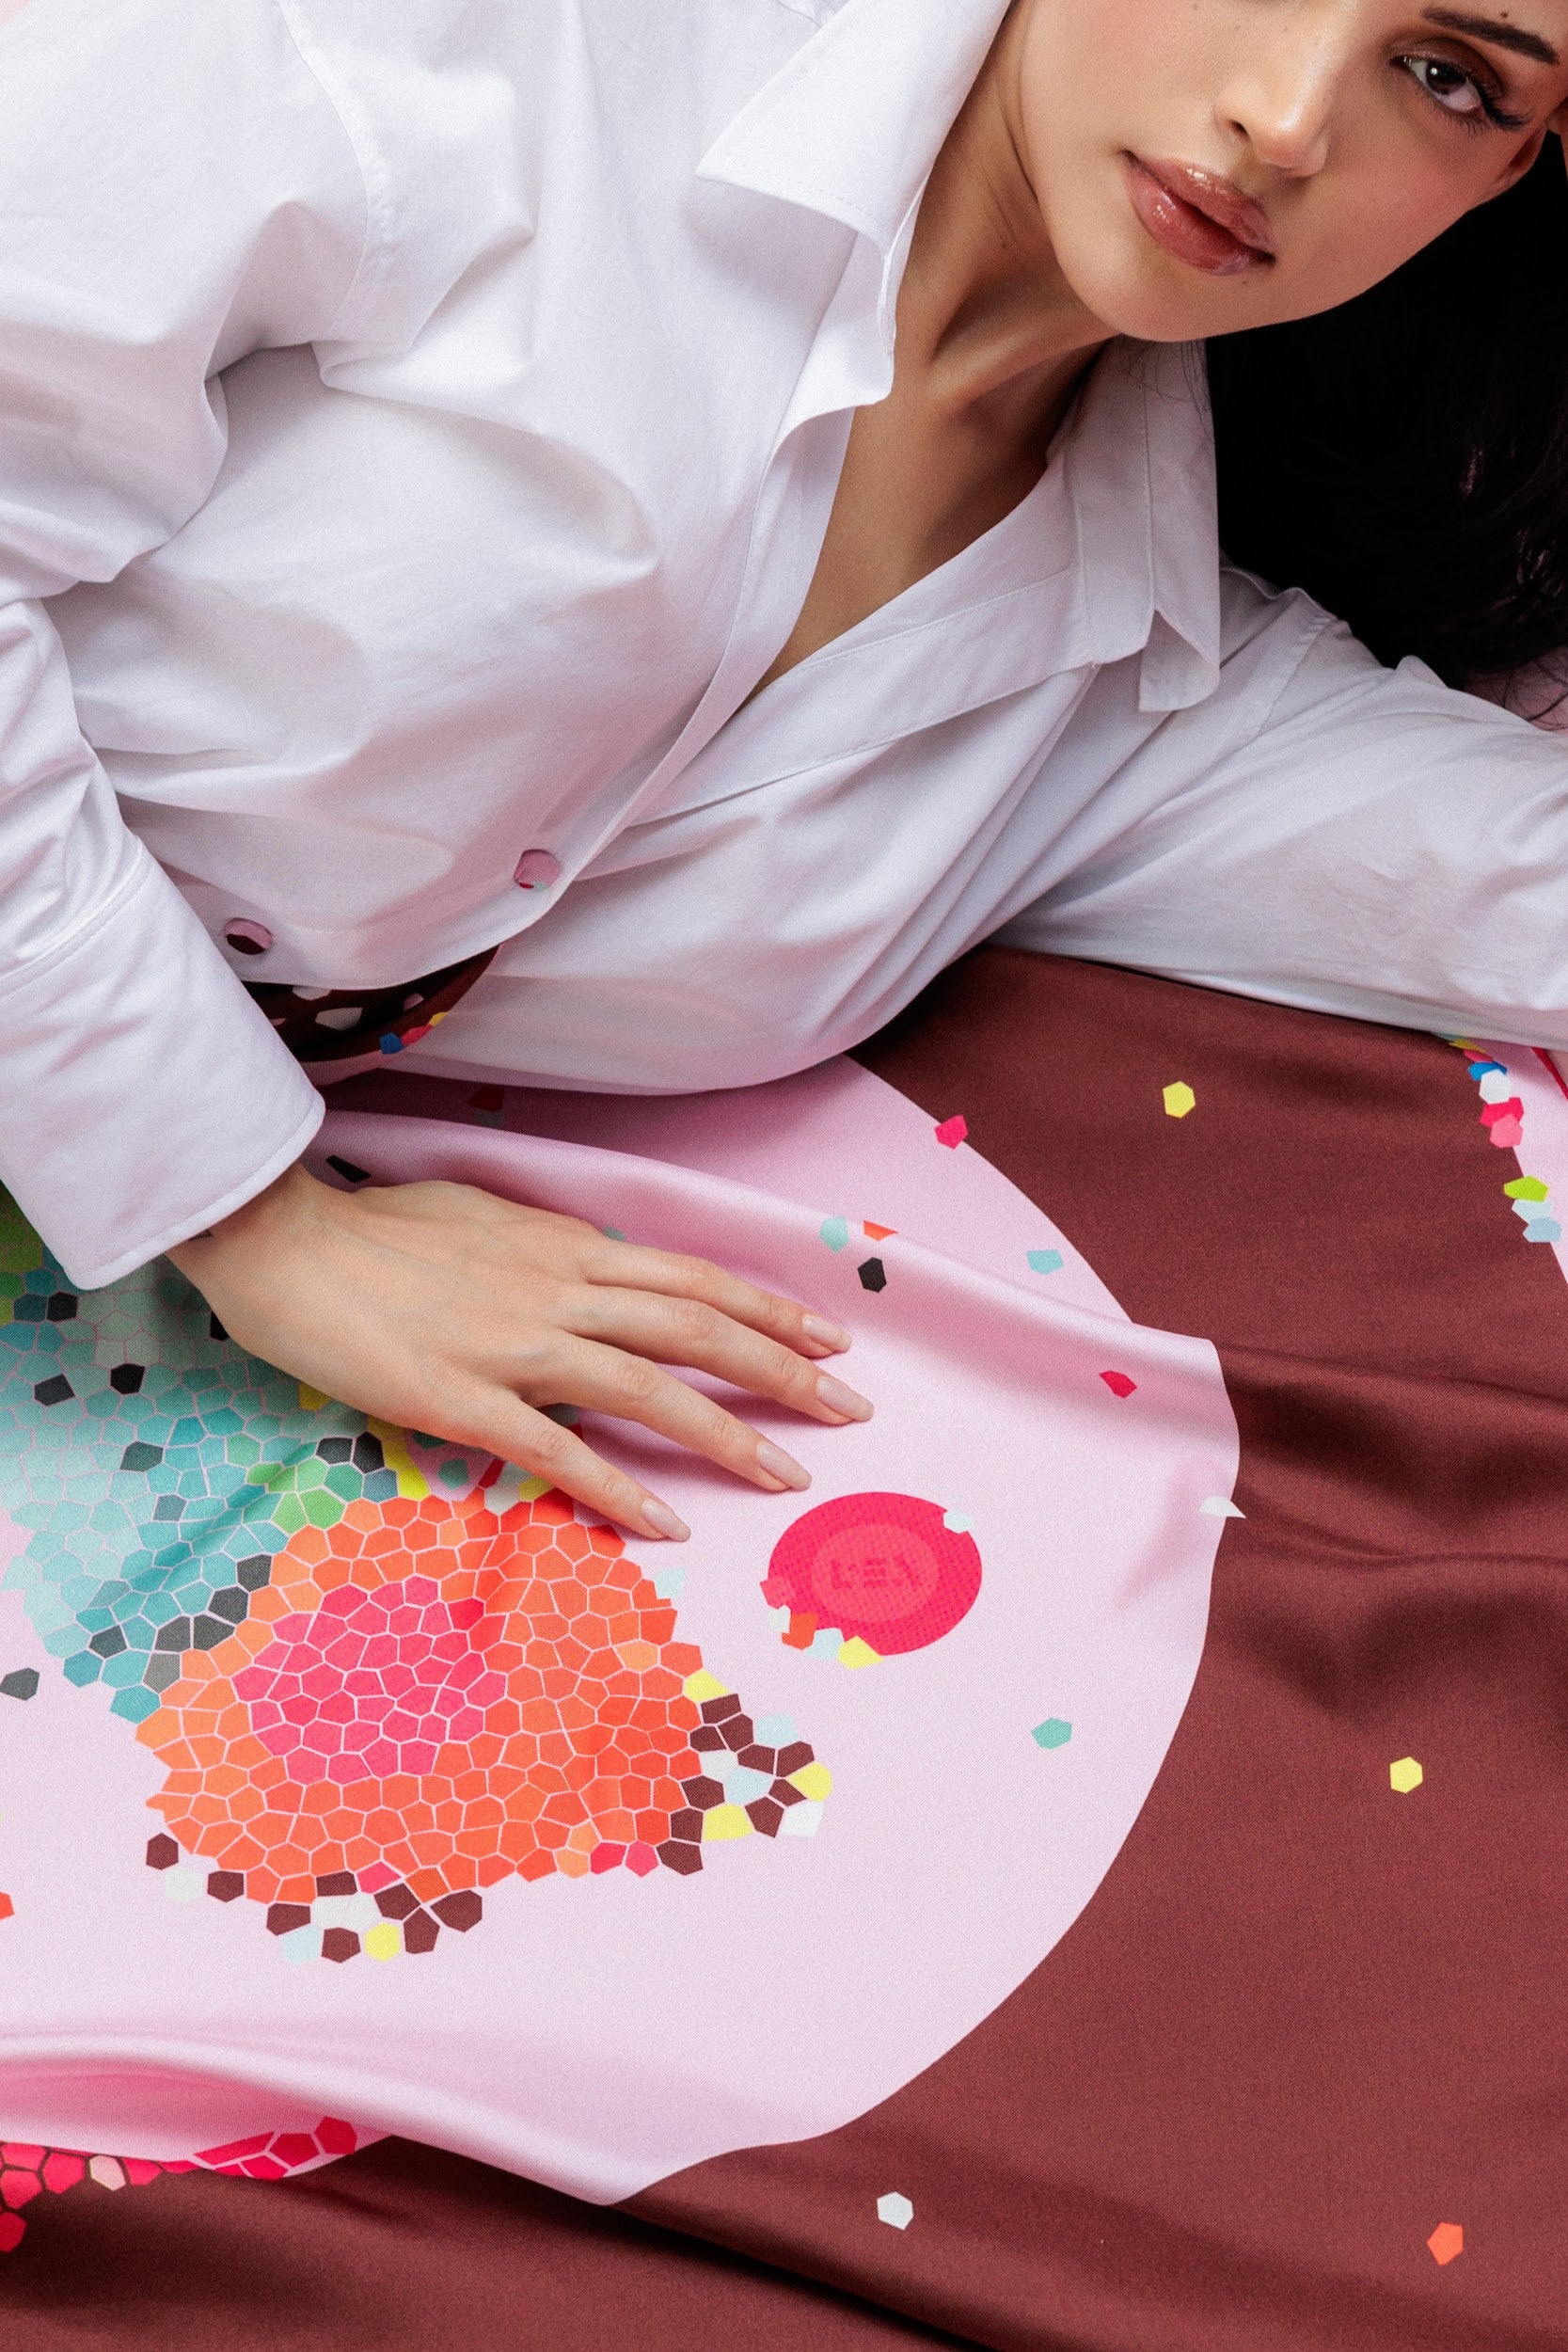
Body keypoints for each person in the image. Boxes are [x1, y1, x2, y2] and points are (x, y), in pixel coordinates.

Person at [4, 0, 1567, 1544]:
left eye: (1446, 78)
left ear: (1511, 176)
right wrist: (258, 1225)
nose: (1288, 119)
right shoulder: (487, 54)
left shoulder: (1146, 673)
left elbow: (1519, 882)